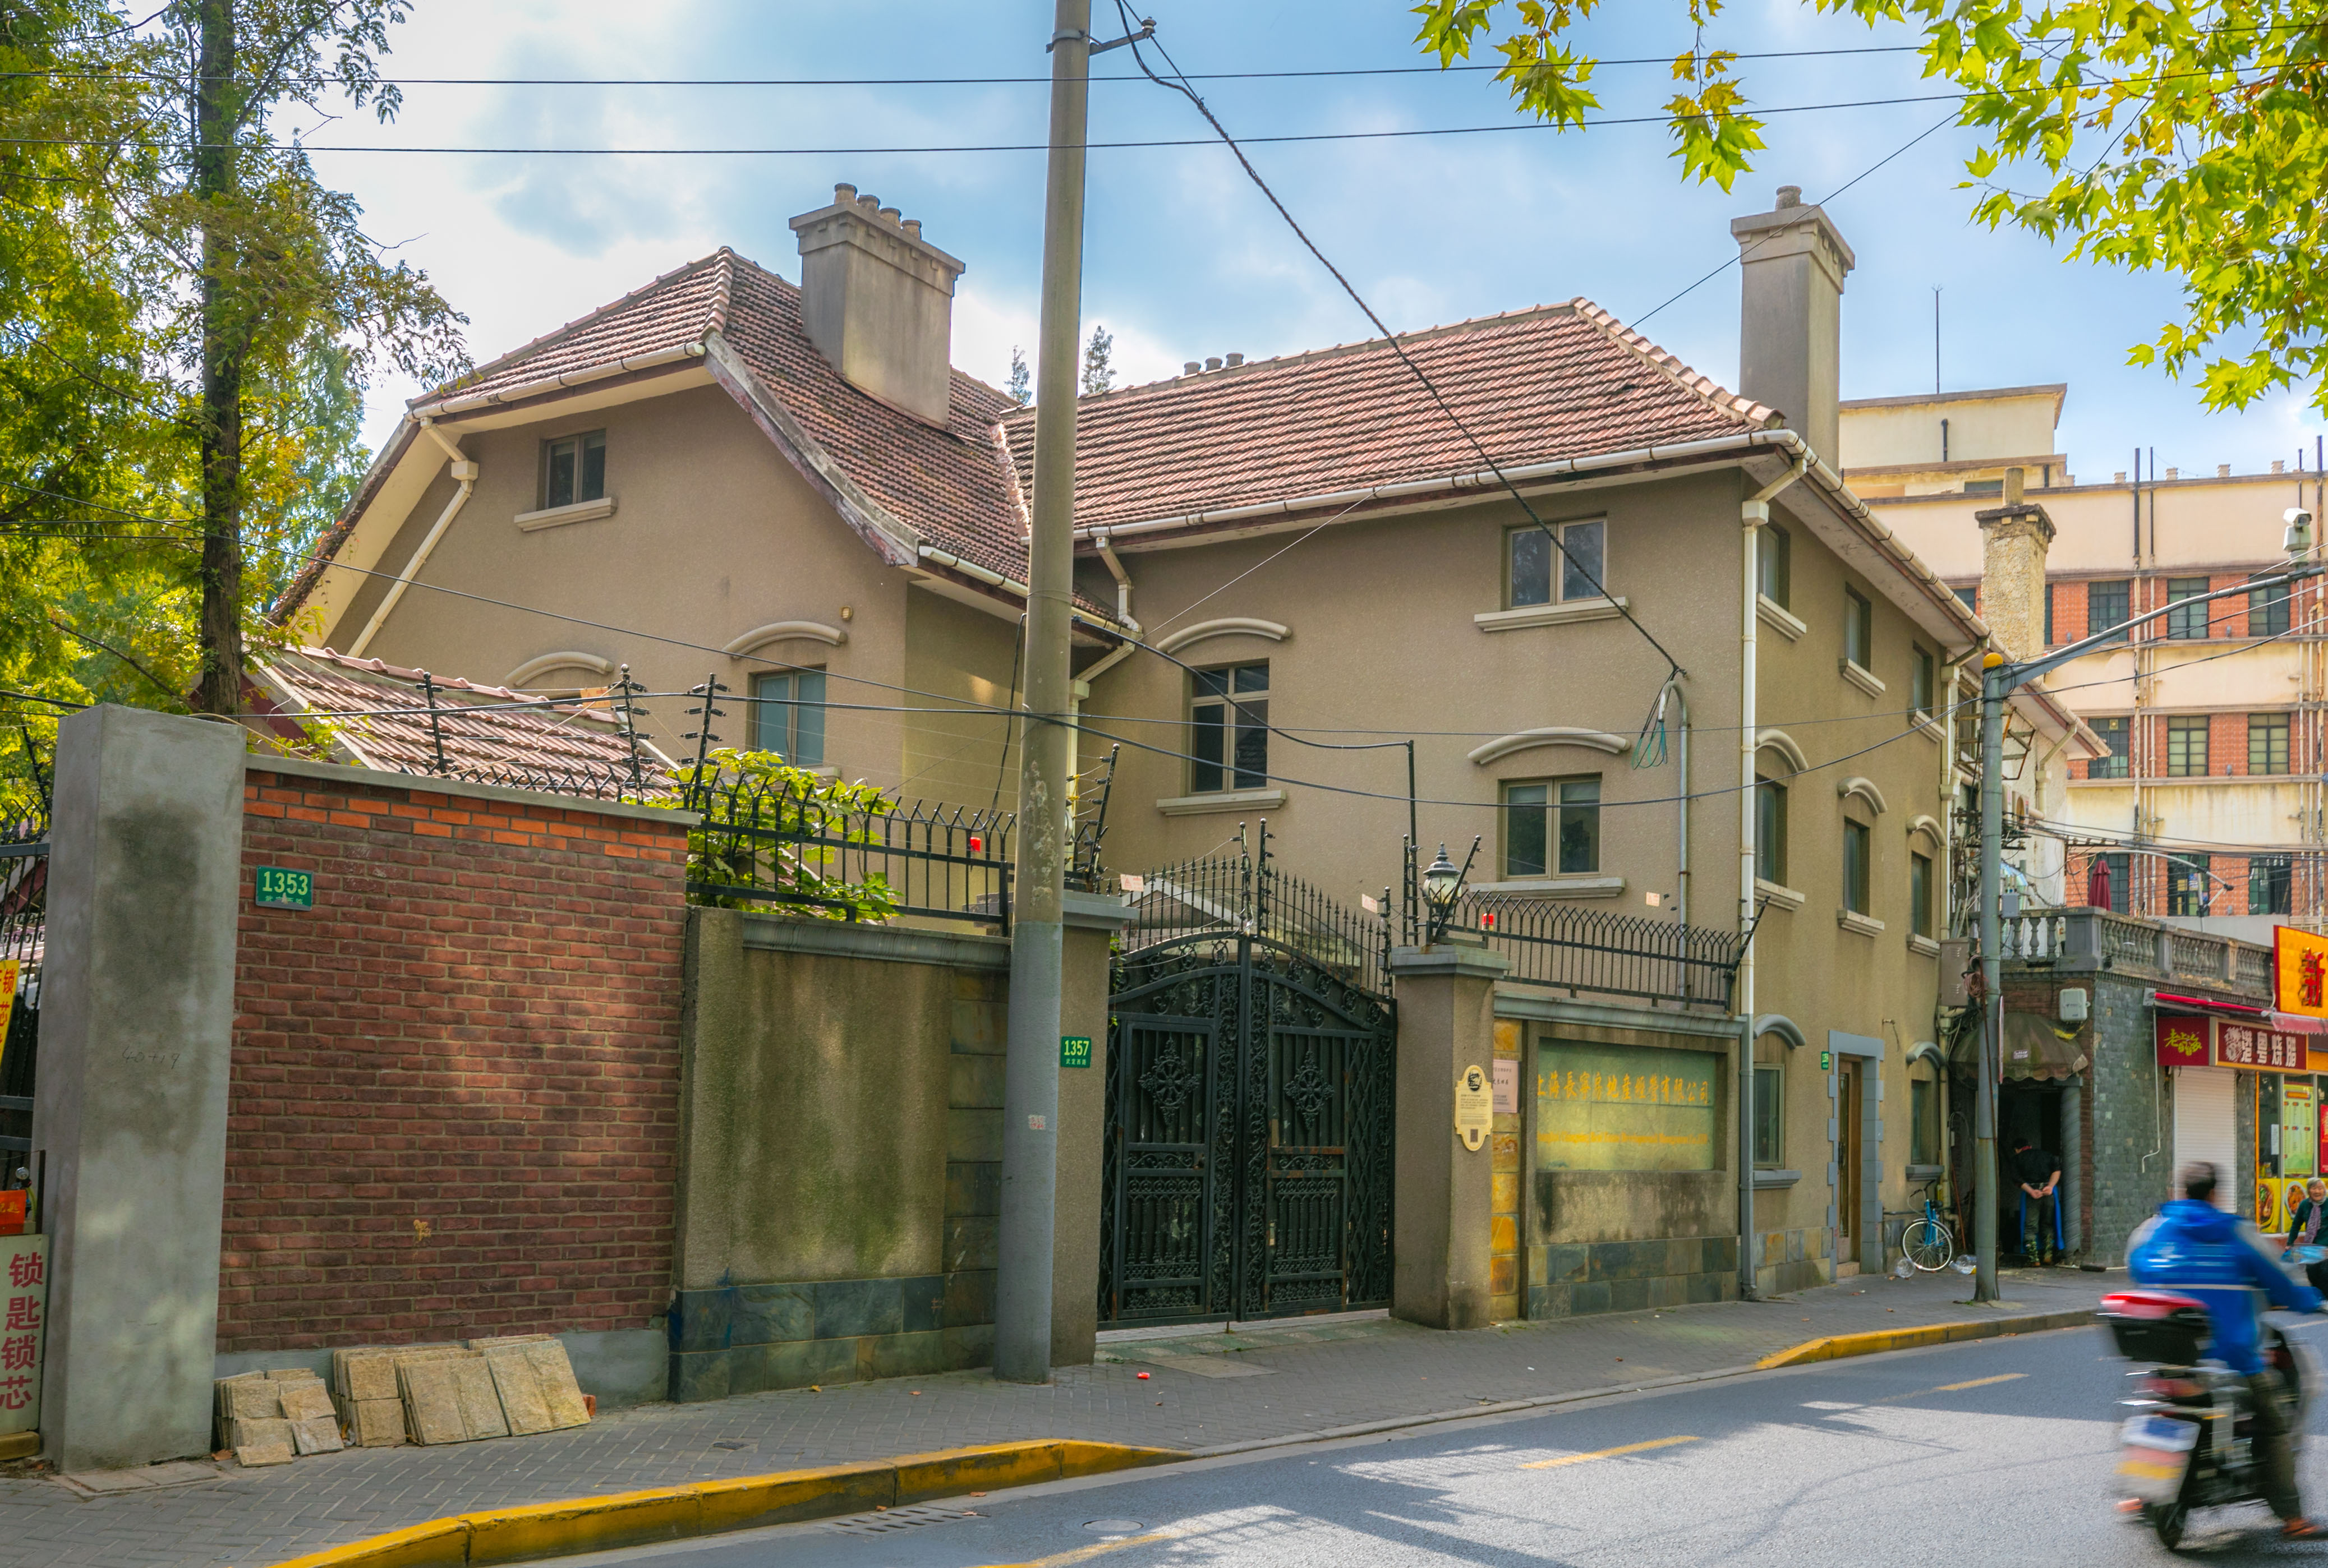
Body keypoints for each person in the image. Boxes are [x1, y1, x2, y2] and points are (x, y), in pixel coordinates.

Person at [2129, 1161, 2325, 1538]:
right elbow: (2281, 1285)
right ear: (2215, 1194)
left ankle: (2141, 1494)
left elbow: (2138, 1268)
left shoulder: (2153, 1231)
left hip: (2171, 1361)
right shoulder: (2237, 1234)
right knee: (2275, 1423)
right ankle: (2292, 1518)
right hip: (2232, 1361)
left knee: (2143, 1406)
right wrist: (2310, 1298)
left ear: (2181, 1192)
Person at [2010, 1135, 2063, 1263]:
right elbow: (2057, 1170)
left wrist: (2032, 1191)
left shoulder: (2017, 1159)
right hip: (2048, 1193)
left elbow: (2017, 1179)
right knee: (2048, 1224)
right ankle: (2048, 1255)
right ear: (2030, 1146)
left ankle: (2034, 1259)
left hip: (2032, 1194)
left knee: (2030, 1226)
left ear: (2017, 1150)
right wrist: (2050, 1187)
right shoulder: (2046, 1155)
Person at [2285, 1178, 2328, 1293]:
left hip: (2326, 1248)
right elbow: (2296, 1225)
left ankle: (2326, 1299)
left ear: (2324, 1191)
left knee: (2325, 1273)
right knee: (2312, 1274)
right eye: (2314, 1188)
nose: (2317, 1192)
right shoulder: (2304, 1205)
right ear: (2309, 1191)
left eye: (2320, 1188)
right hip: (2311, 1248)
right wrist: (2290, 1243)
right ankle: (2320, 1298)